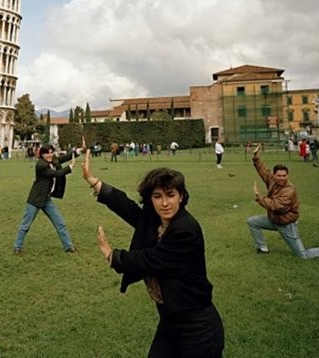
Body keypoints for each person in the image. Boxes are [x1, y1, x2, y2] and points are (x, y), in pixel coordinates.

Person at [81, 147, 224, 357]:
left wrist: (114, 257)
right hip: (170, 321)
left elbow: (152, 259)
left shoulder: (185, 229)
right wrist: (95, 182)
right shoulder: (157, 220)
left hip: (197, 328)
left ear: (181, 196)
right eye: (157, 196)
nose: (164, 203)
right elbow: (130, 209)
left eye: (170, 195)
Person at [247, 143, 319, 260]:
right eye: (279, 175)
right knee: (252, 222)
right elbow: (263, 171)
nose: (281, 178)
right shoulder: (272, 180)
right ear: (274, 175)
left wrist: (259, 197)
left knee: (303, 255)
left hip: (286, 225)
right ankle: (262, 248)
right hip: (274, 220)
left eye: (284, 175)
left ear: (287, 175)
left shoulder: (289, 190)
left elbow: (276, 206)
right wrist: (256, 157)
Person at [13, 143, 78, 254]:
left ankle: (68, 247)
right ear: (42, 154)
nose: (50, 155)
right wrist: (69, 168)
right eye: (47, 153)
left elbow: (63, 158)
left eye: (51, 152)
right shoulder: (41, 165)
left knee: (60, 222)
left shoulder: (52, 160)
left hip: (46, 199)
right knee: (26, 225)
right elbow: (56, 174)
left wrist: (77, 152)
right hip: (36, 199)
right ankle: (17, 247)